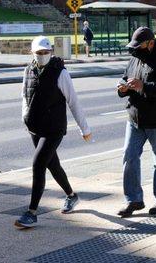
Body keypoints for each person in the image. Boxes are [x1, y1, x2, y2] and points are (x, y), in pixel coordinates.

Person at [15, 36, 92, 229]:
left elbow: (73, 101)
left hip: (54, 128)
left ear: (51, 52)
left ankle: (31, 212)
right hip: (35, 127)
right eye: (38, 53)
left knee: (38, 164)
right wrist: (25, 116)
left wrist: (85, 128)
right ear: (32, 54)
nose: (42, 56)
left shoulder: (60, 73)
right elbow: (25, 95)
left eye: (45, 52)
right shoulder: (28, 70)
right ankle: (72, 196)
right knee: (53, 165)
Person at [117, 27, 156, 217]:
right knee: (129, 158)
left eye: (140, 45)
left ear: (151, 43)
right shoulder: (135, 57)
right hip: (135, 118)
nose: (136, 49)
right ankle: (133, 200)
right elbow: (125, 77)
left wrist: (144, 86)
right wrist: (122, 88)